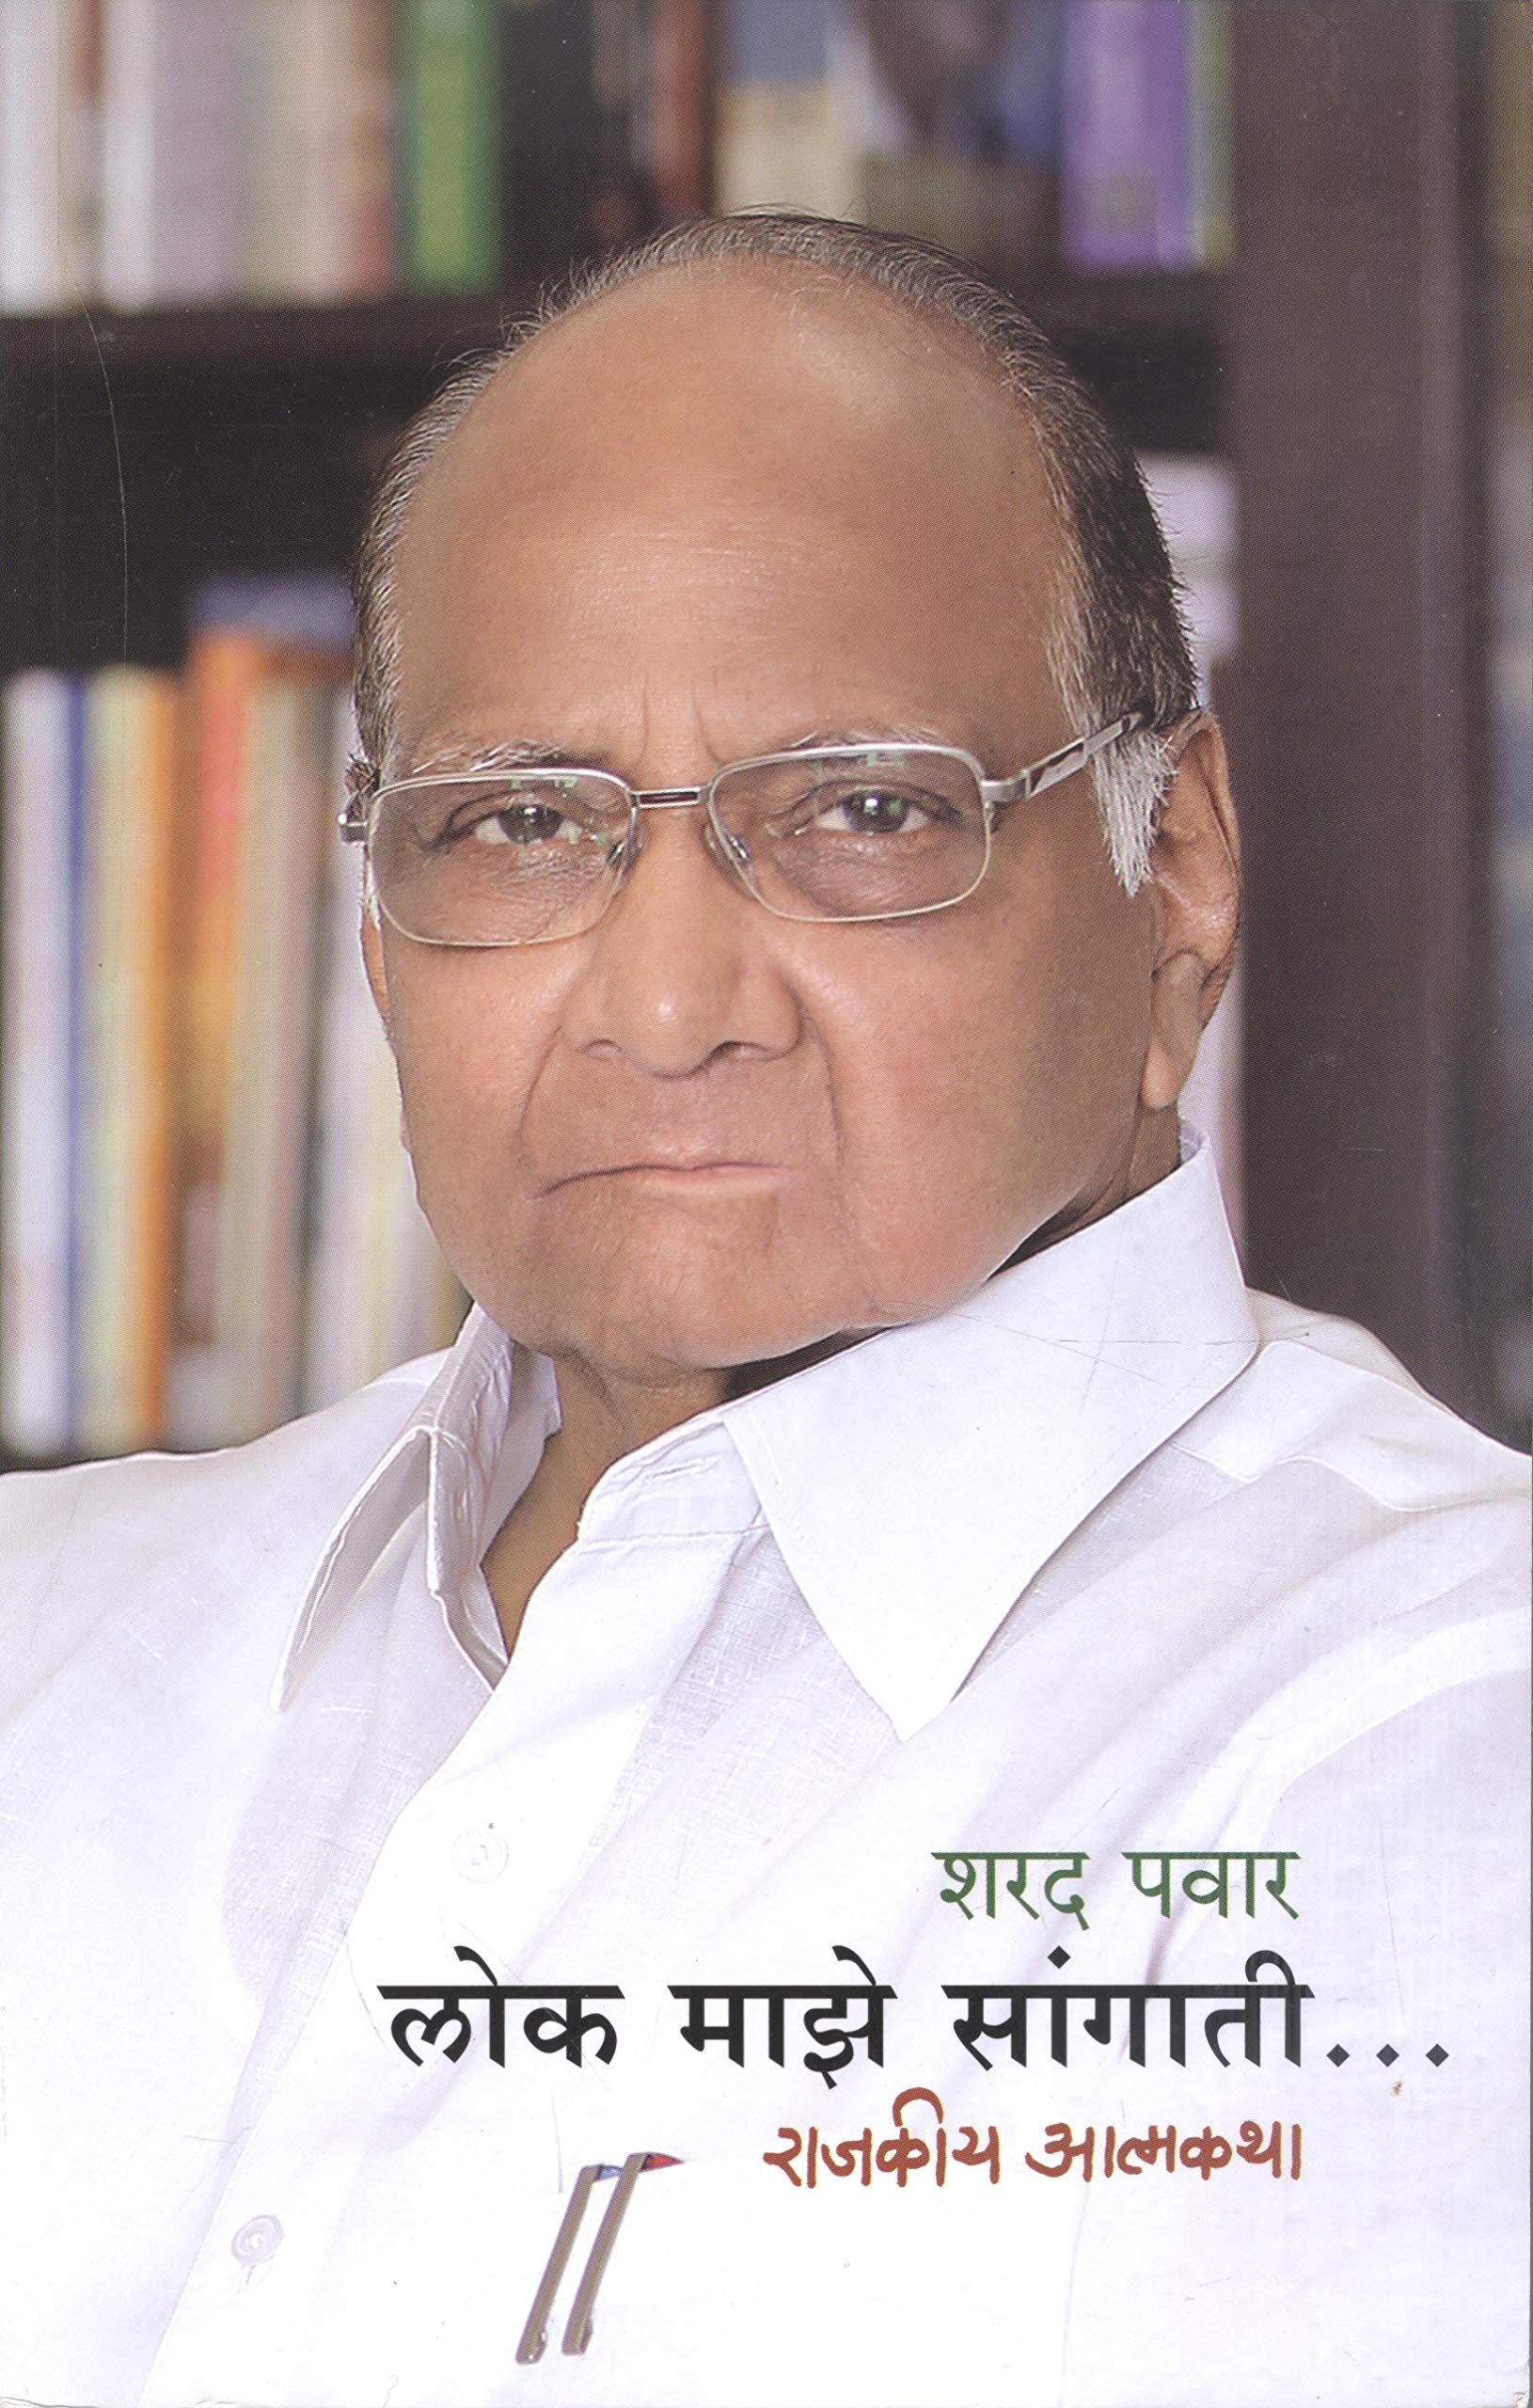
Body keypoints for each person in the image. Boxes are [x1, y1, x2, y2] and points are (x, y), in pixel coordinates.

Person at [0, 214, 1525, 2408]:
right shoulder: (48, 1625)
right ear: (375, 913)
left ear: (1174, 865)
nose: (665, 1004)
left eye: (861, 812)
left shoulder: (1437, 1724)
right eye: (519, 823)